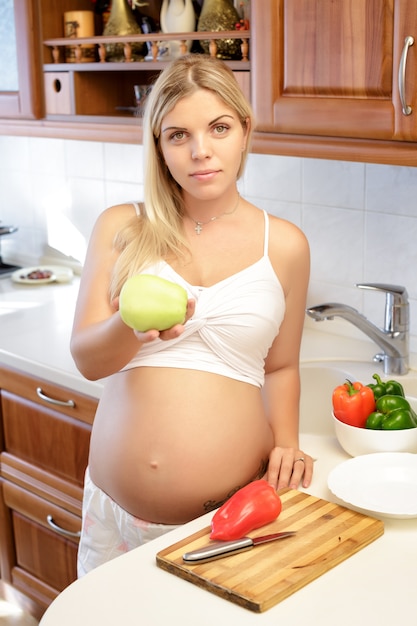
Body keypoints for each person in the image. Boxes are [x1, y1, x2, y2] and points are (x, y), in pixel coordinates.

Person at [70, 54, 313, 577]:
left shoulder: (286, 244)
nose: (201, 152)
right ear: (158, 147)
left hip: (224, 520)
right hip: (110, 512)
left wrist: (288, 443)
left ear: (244, 131)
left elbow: (281, 366)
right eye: (178, 135)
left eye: (218, 128)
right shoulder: (122, 227)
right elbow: (88, 360)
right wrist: (130, 328)